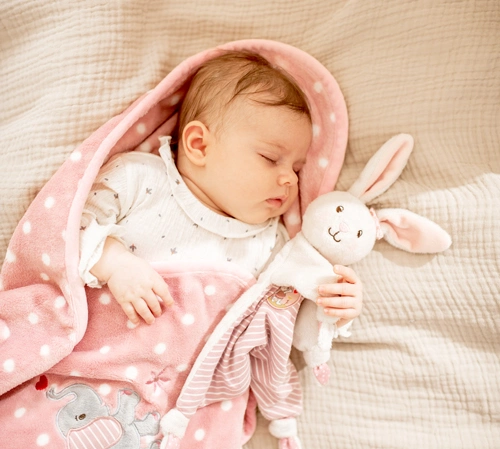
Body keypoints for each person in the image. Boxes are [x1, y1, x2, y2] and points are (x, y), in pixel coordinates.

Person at [78, 51, 363, 328]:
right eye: (271, 158)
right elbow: (68, 232)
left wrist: (332, 308)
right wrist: (114, 264)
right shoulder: (138, 179)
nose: (290, 179)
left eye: (298, 168)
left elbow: (283, 325)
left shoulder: (271, 244)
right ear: (200, 145)